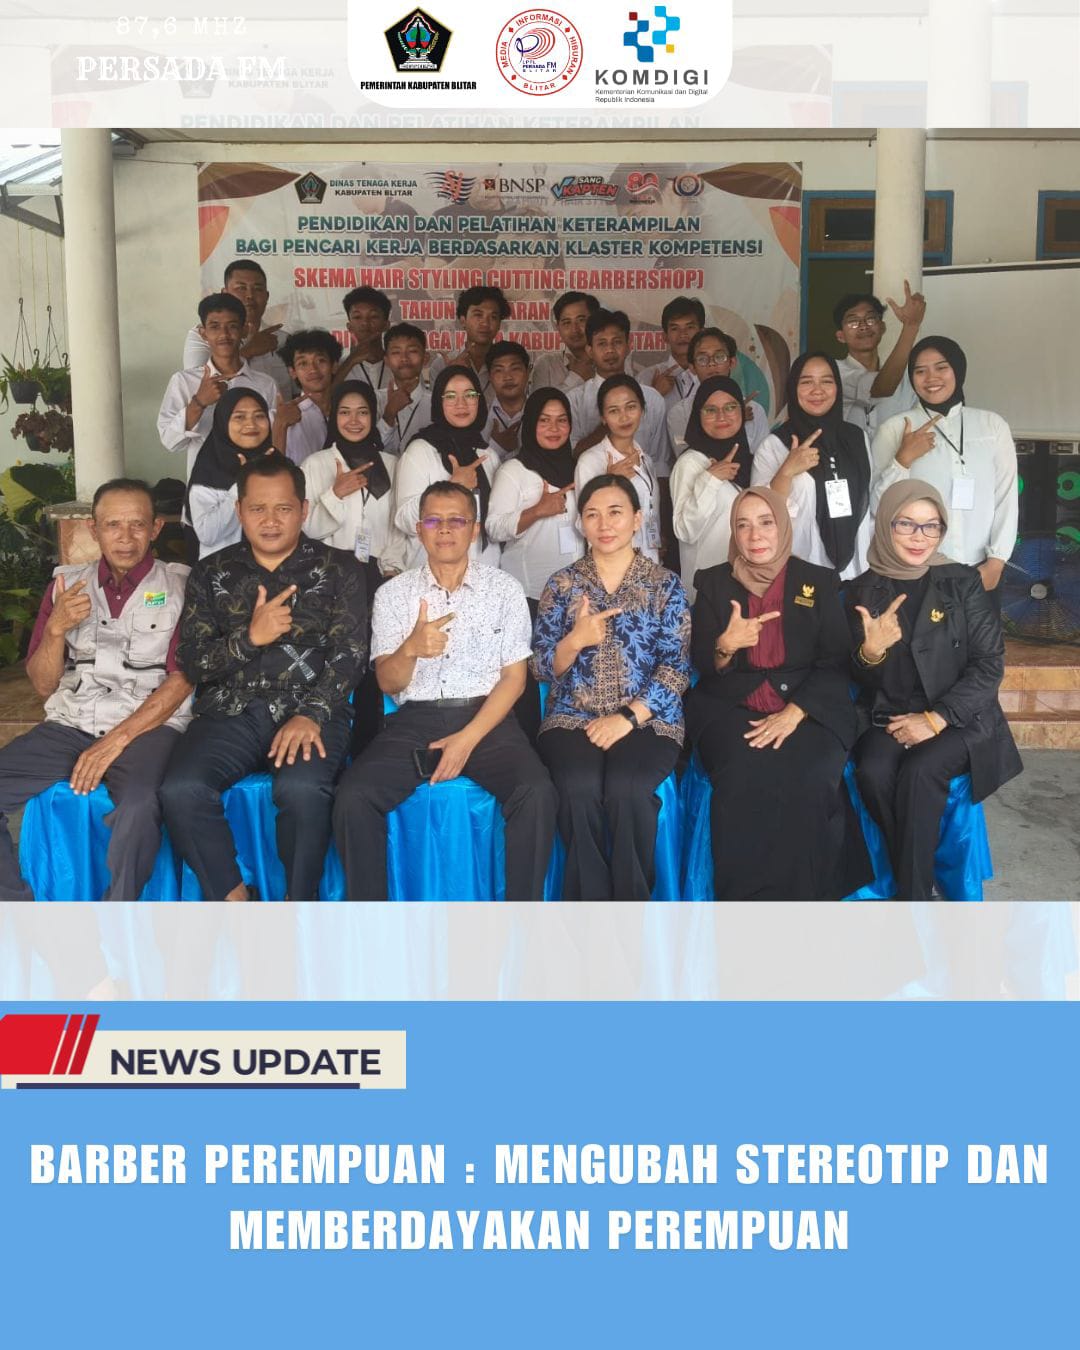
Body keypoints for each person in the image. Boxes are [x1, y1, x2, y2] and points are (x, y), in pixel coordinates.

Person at [332, 480, 558, 902]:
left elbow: (514, 679)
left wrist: (466, 740)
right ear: (419, 529)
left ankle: (523, 921)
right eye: (434, 521)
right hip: (414, 720)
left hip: (487, 719)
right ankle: (370, 922)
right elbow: (388, 683)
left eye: (457, 520)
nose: (446, 530)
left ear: (474, 530)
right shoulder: (393, 594)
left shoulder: (504, 590)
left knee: (537, 793)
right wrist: (411, 649)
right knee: (353, 796)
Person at [161, 456, 366, 902]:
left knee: (302, 790)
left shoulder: (340, 569)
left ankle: (298, 904)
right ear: (239, 511)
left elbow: (350, 655)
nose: (270, 521)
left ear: (304, 510)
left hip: (311, 709)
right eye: (257, 509)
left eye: (283, 508)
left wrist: (311, 715)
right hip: (230, 712)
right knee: (180, 790)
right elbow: (192, 662)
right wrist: (250, 638)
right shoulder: (212, 573)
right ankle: (235, 898)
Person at [0, 479, 193, 902]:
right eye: (113, 525)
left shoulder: (182, 586)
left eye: (137, 524)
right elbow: (43, 684)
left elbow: (181, 681)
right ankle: (17, 912)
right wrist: (55, 629)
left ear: (156, 528)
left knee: (139, 806)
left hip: (147, 726)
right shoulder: (65, 585)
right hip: (73, 721)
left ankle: (116, 918)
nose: (125, 537)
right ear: (94, 528)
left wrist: (114, 743)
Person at [688, 486, 869, 901]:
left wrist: (796, 711)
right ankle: (747, 903)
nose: (755, 536)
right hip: (732, 703)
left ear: (783, 526)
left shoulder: (818, 581)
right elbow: (703, 662)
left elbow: (835, 661)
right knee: (742, 777)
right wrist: (725, 647)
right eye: (743, 525)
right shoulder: (714, 582)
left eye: (766, 522)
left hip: (808, 703)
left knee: (811, 777)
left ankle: (810, 899)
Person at [847, 480, 1022, 901]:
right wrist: (870, 653)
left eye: (931, 526)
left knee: (920, 771)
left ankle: (913, 897)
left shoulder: (962, 582)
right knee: (872, 770)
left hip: (960, 717)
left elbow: (988, 664)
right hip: (888, 714)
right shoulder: (860, 590)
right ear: (885, 525)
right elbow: (855, 678)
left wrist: (935, 718)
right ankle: (916, 875)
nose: (919, 537)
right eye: (906, 523)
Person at [531, 474, 690, 901]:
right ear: (581, 523)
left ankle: (631, 911)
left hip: (648, 720)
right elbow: (540, 666)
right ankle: (590, 913)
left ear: (637, 519)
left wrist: (626, 718)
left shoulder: (664, 584)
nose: (604, 524)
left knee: (628, 791)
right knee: (577, 789)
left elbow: (676, 667)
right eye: (592, 514)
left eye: (615, 512)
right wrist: (574, 641)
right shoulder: (561, 585)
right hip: (572, 718)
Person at [302, 380, 406, 753]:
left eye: (363, 412)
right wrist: (336, 493)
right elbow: (305, 528)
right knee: (332, 659)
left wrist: (392, 569)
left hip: (380, 575)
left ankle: (368, 745)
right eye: (345, 412)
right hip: (330, 577)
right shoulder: (316, 464)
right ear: (333, 417)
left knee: (374, 661)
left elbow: (400, 526)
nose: (354, 420)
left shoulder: (391, 464)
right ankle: (323, 742)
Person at [870, 337, 1018, 597]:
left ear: (958, 370)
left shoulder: (992, 426)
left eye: (941, 367)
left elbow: (1006, 496)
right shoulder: (895, 429)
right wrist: (902, 460)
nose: (931, 378)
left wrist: (997, 560)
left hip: (981, 569)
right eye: (920, 371)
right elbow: (877, 508)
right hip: (916, 571)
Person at [488, 388, 583, 738]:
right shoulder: (514, 470)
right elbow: (494, 526)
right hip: (527, 595)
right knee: (526, 677)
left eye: (561, 420)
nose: (554, 428)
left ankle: (566, 740)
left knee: (571, 670)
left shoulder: (578, 468)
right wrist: (538, 510)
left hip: (573, 595)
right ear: (530, 425)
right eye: (544, 420)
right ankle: (528, 746)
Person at [752, 351, 874, 581]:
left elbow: (866, 504)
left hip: (856, 572)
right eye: (806, 382)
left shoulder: (857, 438)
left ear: (837, 387)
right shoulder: (775, 445)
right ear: (793, 388)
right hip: (801, 571)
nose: (817, 390)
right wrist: (786, 472)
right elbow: (758, 516)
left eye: (826, 381)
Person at [158, 292, 280, 476]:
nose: (224, 334)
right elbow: (170, 442)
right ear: (203, 333)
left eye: (232, 326)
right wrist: (199, 402)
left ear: (244, 330)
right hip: (204, 487)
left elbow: (274, 440)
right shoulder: (184, 381)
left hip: (253, 484)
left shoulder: (265, 384)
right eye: (214, 327)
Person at [393, 365, 499, 569]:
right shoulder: (420, 450)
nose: (461, 403)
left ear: (479, 400)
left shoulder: (488, 454)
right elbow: (404, 520)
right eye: (450, 396)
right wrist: (453, 486)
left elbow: (495, 526)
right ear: (438, 402)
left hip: (484, 573)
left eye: (470, 395)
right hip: (433, 573)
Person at [670, 377, 754, 601]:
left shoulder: (750, 460)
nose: (721, 416)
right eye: (710, 410)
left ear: (742, 411)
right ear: (697, 415)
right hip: (708, 591)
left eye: (730, 407)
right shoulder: (690, 463)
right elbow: (684, 531)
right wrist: (710, 479)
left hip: (750, 584)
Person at [568, 309, 673, 477]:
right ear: (589, 351)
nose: (610, 350)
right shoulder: (574, 400)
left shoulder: (652, 398)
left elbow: (660, 464)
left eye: (617, 342)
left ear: (628, 346)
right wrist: (610, 423)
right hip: (594, 487)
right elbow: (573, 454)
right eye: (602, 344)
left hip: (645, 488)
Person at [575, 374, 663, 565]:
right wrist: (608, 482)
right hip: (612, 567)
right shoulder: (591, 461)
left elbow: (649, 513)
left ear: (642, 409)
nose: (624, 417)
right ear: (603, 418)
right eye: (614, 411)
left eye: (631, 407)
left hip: (650, 564)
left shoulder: (646, 460)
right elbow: (583, 524)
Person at [186, 388, 277, 559]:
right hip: (225, 570)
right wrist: (243, 485)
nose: (251, 424)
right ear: (223, 422)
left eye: (259, 416)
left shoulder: (279, 466)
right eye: (239, 417)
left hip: (277, 568)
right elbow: (207, 534)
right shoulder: (209, 472)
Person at [183, 260, 292, 400]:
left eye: (257, 289)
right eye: (241, 288)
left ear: (267, 296)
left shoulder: (283, 339)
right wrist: (250, 350)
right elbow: (196, 384)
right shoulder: (203, 336)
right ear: (225, 293)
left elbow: (297, 391)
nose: (250, 295)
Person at [834, 283, 925, 435]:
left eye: (870, 319)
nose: (863, 326)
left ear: (882, 327)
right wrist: (911, 326)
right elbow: (881, 388)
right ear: (841, 336)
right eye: (853, 322)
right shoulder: (834, 372)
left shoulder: (906, 379)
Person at [667, 328, 770, 455]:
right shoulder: (679, 413)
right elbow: (688, 458)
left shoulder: (755, 410)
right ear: (692, 367)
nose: (711, 364)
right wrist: (735, 421)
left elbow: (762, 461)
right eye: (702, 359)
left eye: (719, 357)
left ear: (732, 362)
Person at [272, 330, 342, 465]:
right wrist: (280, 425)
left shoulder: (348, 411)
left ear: (334, 366)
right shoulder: (277, 418)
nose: (313, 369)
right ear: (292, 372)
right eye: (303, 363)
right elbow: (270, 471)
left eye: (320, 361)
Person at [635, 296, 705, 408]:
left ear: (702, 333)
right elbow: (636, 418)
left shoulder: (710, 374)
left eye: (690, 327)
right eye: (675, 328)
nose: (683, 334)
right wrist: (655, 394)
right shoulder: (646, 378)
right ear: (665, 336)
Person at [376, 322, 434, 454]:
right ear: (386, 360)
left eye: (412, 351)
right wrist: (389, 413)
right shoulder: (374, 400)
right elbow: (367, 448)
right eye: (396, 352)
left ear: (425, 358)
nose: (404, 358)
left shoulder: (437, 403)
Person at [446, 284, 511, 398]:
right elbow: (438, 407)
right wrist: (451, 373)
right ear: (463, 320)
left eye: (493, 317)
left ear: (499, 324)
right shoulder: (443, 365)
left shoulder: (509, 367)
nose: (485, 323)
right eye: (478, 315)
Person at [531, 290, 598, 391]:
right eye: (567, 322)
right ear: (558, 327)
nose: (574, 329)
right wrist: (576, 378)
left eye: (581, 320)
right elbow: (540, 401)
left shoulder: (611, 361)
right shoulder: (547, 365)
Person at [335, 286, 393, 389]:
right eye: (357, 317)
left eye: (373, 316)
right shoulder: (339, 366)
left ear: (386, 325)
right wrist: (351, 361)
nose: (365, 323)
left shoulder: (399, 364)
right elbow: (326, 397)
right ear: (349, 327)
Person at [482, 340, 531, 458]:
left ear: (528, 372)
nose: (508, 377)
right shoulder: (479, 415)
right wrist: (497, 447)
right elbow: (470, 464)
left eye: (515, 369)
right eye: (499, 370)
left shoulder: (542, 412)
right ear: (490, 376)